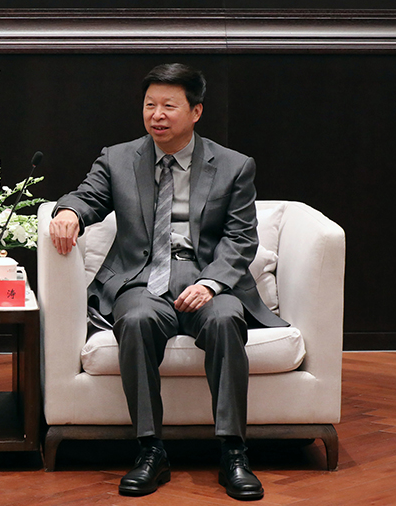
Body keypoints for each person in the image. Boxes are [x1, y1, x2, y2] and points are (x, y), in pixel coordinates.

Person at [49, 63, 288, 501]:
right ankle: (149, 449)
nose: (157, 115)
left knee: (224, 320)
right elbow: (88, 196)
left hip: (207, 279)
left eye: (169, 106)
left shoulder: (234, 166)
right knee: (136, 319)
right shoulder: (118, 158)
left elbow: (240, 239)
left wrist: (213, 284)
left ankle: (234, 451)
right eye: (150, 105)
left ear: (195, 112)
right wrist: (68, 213)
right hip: (143, 279)